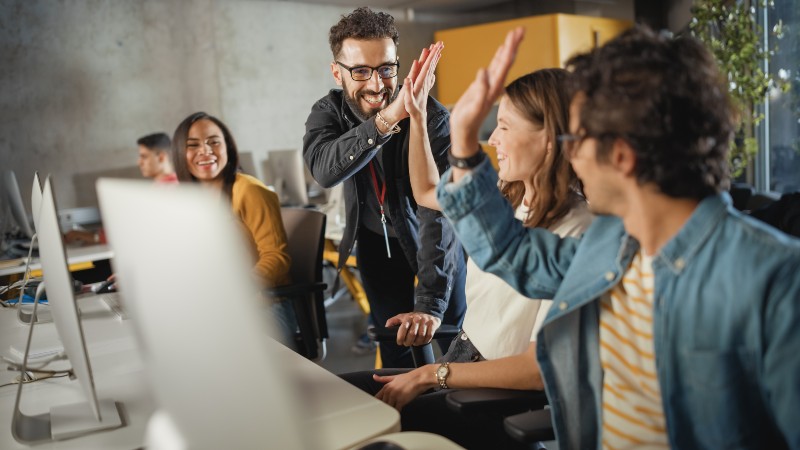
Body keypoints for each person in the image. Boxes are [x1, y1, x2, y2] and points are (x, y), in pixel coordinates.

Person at [436, 26, 800, 449]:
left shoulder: (774, 283)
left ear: (623, 157)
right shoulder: (613, 242)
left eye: (576, 140)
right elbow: (514, 253)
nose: (569, 154)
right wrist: (463, 145)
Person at [341, 41, 594, 449]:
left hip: (496, 396)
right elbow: (426, 191)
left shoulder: (580, 231)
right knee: (334, 393)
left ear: (549, 140)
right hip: (461, 362)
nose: (493, 138)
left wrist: (429, 374)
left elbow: (537, 370)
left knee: (363, 424)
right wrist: (419, 117)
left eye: (505, 127)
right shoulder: (508, 196)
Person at [303, 7, 467, 368]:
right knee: (394, 352)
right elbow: (325, 170)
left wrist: (430, 303)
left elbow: (437, 215)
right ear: (337, 72)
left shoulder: (434, 119)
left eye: (386, 69)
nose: (377, 85)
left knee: (458, 345)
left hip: (435, 245)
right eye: (360, 71)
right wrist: (388, 118)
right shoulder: (329, 113)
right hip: (377, 243)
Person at [172, 112, 297, 347]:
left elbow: (277, 258)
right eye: (193, 145)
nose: (205, 151)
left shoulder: (249, 191)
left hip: (264, 307)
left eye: (214, 142)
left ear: (227, 147)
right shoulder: (188, 199)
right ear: (180, 153)